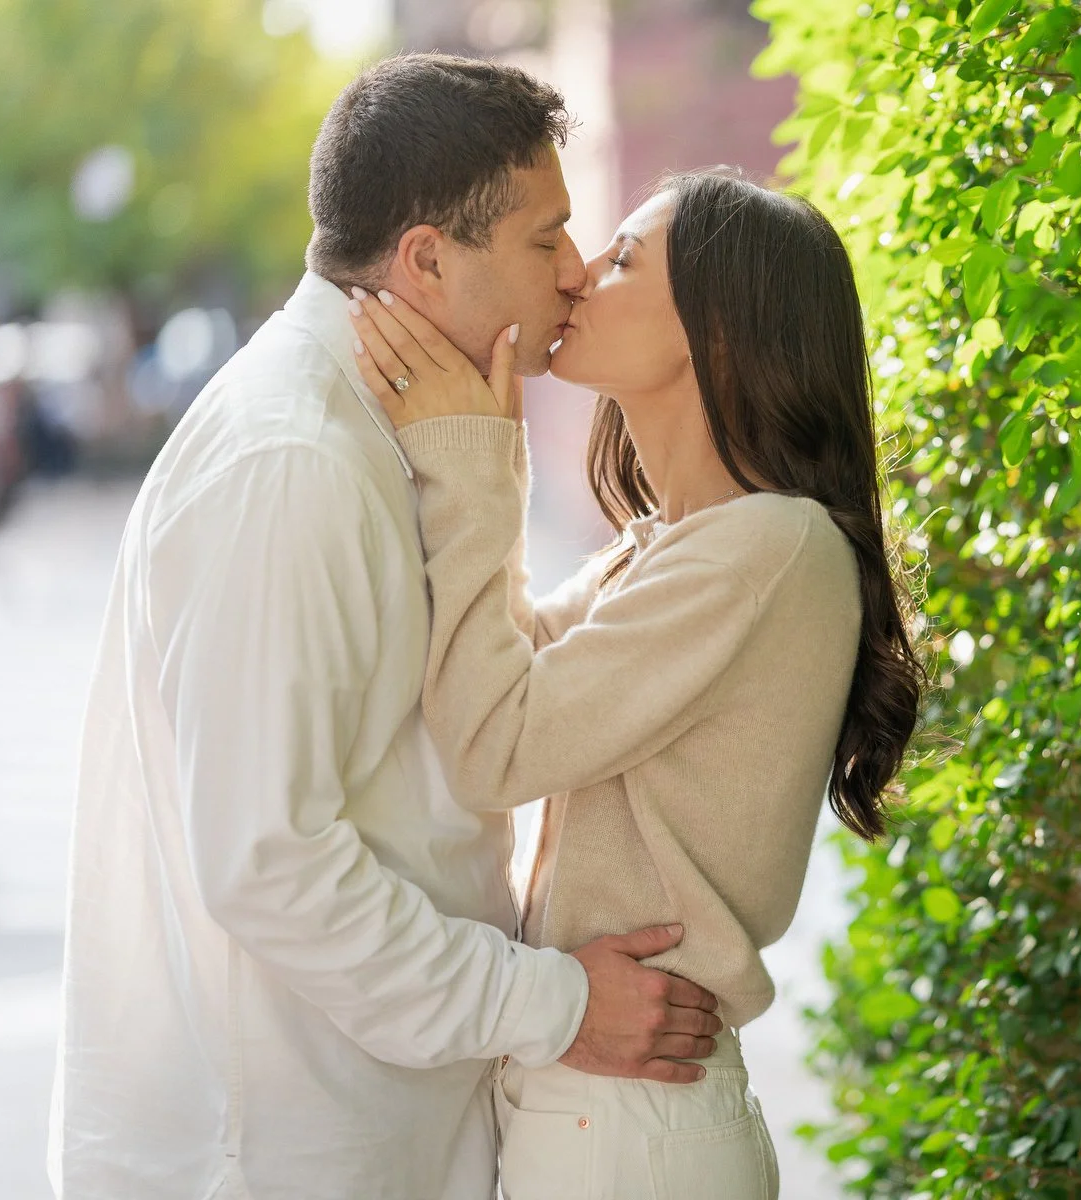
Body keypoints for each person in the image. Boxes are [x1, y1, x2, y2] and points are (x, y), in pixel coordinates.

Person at [49, 55, 721, 1200]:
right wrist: (554, 1005)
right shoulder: (291, 462)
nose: (573, 269)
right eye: (544, 237)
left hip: (385, 1134)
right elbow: (269, 863)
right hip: (279, 1157)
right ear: (425, 259)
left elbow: (471, 687)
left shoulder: (399, 424)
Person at [345, 168, 924, 1198]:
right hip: (597, 1096)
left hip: (630, 1121)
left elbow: (494, 745)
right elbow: (495, 658)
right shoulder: (670, 548)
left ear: (722, 329)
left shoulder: (769, 548)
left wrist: (475, 458)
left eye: (621, 260)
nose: (576, 277)